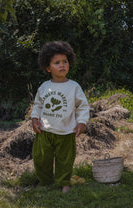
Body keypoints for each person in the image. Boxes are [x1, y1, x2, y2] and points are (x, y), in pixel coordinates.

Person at [31, 41, 89, 193]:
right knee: (41, 158)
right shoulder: (44, 87)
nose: (62, 65)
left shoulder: (74, 87)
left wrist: (81, 123)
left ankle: (64, 182)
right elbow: (37, 105)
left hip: (66, 131)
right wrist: (34, 119)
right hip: (44, 132)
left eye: (65, 61)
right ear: (48, 68)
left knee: (65, 160)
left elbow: (83, 106)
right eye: (57, 63)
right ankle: (45, 181)